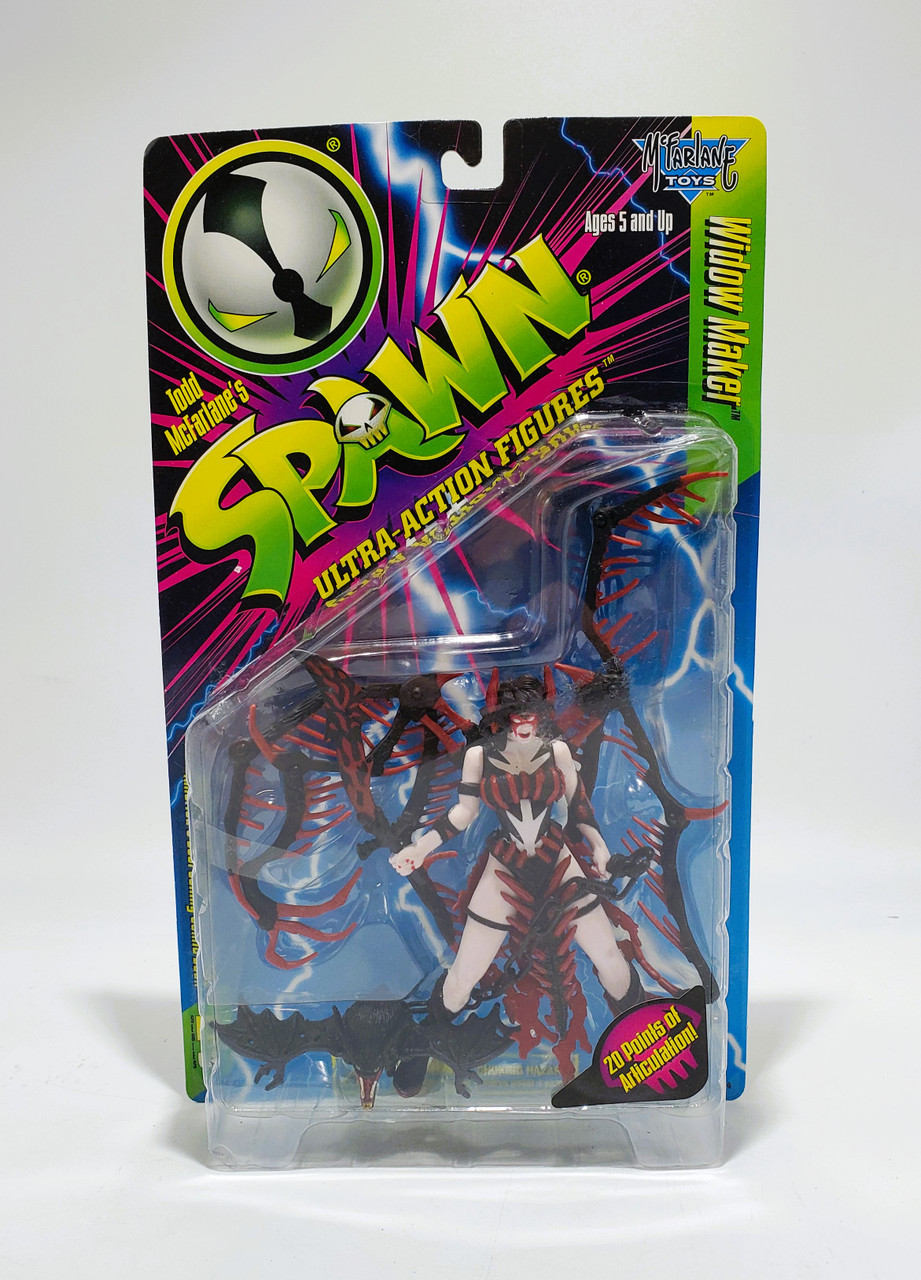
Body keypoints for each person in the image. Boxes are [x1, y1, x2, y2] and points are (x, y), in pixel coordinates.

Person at [389, 673, 643, 1033]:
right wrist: (421, 848)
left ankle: (645, 1030)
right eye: (517, 717)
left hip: (557, 859)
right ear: (503, 717)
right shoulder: (480, 755)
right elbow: (464, 812)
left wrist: (600, 849)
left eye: (531, 716)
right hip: (504, 867)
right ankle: (430, 1038)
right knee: (463, 976)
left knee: (609, 957)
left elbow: (579, 806)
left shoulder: (557, 750)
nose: (525, 724)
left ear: (542, 714)